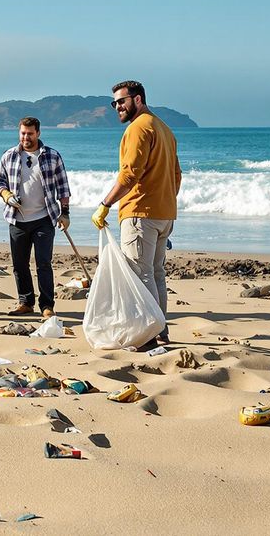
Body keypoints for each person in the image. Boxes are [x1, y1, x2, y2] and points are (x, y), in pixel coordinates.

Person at [92, 80, 182, 344]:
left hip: (140, 213)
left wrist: (105, 204)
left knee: (141, 273)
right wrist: (165, 201)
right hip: (164, 214)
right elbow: (177, 175)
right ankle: (161, 330)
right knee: (156, 273)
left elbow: (130, 174)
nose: (117, 107)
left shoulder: (138, 128)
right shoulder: (164, 129)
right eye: (115, 103)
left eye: (122, 101)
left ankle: (150, 334)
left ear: (138, 99)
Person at [0, 117, 71, 318]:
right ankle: (25, 302)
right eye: (22, 133)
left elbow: (63, 186)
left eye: (30, 133)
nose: (26, 137)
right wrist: (6, 194)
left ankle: (47, 305)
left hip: (44, 218)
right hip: (17, 218)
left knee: (43, 263)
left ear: (38, 133)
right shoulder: (9, 155)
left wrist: (65, 213)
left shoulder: (52, 156)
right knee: (20, 264)